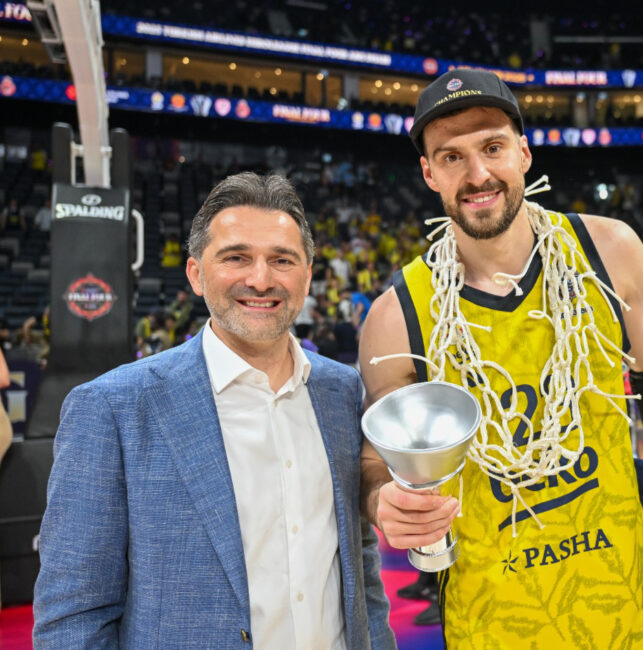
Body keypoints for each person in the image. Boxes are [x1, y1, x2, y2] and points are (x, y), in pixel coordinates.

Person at [358, 69, 643, 649]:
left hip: (617, 603)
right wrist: (383, 501)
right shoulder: (397, 317)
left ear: (524, 153)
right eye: (451, 157)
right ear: (428, 173)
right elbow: (378, 459)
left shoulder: (611, 252)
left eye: (493, 147)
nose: (477, 175)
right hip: (492, 618)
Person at [34, 172, 395, 649]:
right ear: (196, 273)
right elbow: (74, 618)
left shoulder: (341, 391)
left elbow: (359, 566)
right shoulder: (113, 409)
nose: (261, 279)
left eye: (282, 260)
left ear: (307, 276)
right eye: (236, 257)